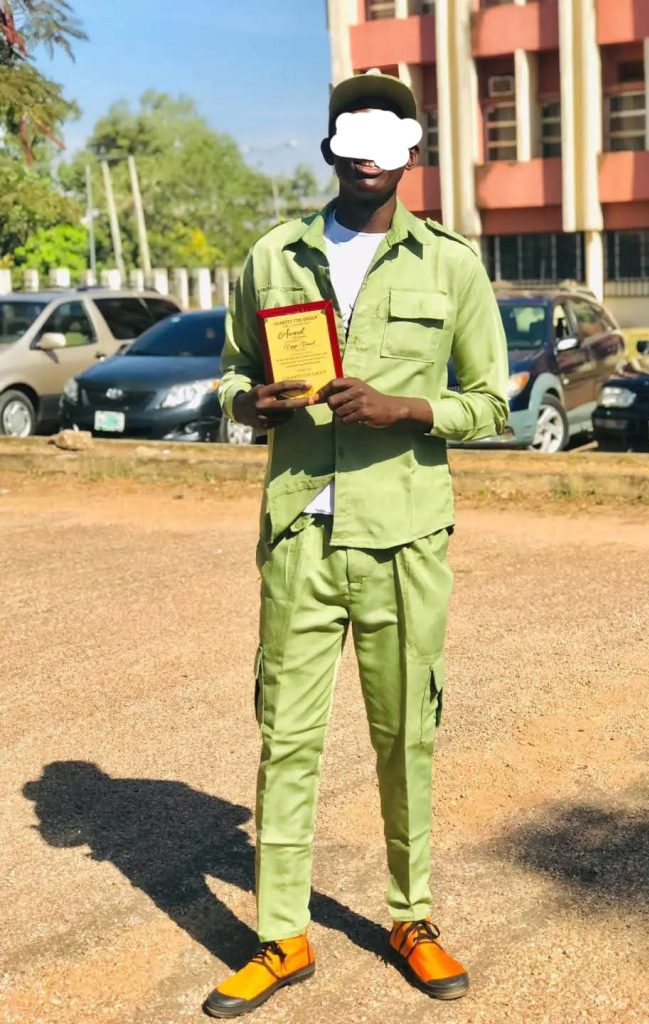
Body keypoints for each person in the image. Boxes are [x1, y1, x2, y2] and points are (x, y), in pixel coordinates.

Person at [203, 70, 508, 1019]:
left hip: (403, 537)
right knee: (286, 739)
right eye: (352, 134)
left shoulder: (449, 265)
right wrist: (249, 404)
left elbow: (491, 402)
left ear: (412, 151)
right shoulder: (273, 257)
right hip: (300, 532)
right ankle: (281, 935)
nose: (368, 154)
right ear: (332, 147)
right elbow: (230, 374)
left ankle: (411, 917)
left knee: (405, 736)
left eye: (387, 136)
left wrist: (405, 408)